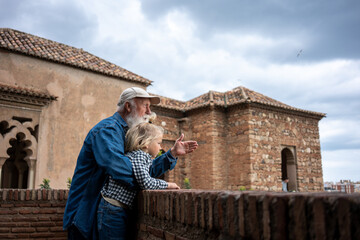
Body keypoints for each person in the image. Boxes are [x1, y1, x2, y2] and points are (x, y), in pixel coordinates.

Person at [63, 87, 198, 239]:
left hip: (100, 214)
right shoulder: (107, 130)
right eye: (145, 106)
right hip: (84, 217)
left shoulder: (127, 133)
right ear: (128, 106)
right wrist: (155, 183)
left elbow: (140, 171)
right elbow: (122, 171)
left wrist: (171, 154)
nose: (149, 112)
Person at [98, 122, 180, 239]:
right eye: (158, 143)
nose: (160, 147)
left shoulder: (142, 157)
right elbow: (146, 183)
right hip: (112, 210)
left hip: (115, 209)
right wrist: (168, 185)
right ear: (146, 143)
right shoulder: (138, 156)